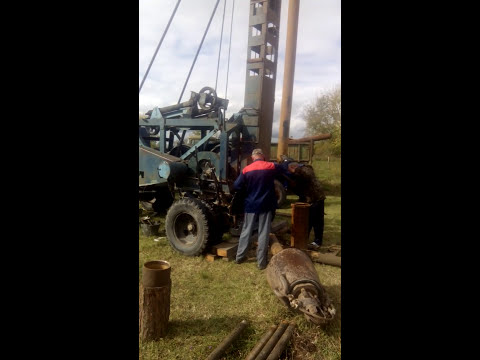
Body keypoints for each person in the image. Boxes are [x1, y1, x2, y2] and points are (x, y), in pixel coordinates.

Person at [233, 148, 280, 270]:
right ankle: (261, 263)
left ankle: (239, 257)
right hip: (266, 205)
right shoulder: (271, 166)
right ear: (262, 156)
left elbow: (236, 186)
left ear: (253, 157)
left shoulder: (246, 169)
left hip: (251, 205)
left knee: (246, 231)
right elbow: (283, 171)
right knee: (263, 232)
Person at [287, 162, 326, 250]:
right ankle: (304, 239)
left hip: (316, 198)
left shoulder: (306, 169)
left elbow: (307, 175)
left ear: (293, 167)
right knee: (307, 220)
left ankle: (317, 241)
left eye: (290, 170)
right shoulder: (299, 174)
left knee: (317, 221)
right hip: (309, 198)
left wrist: (295, 170)